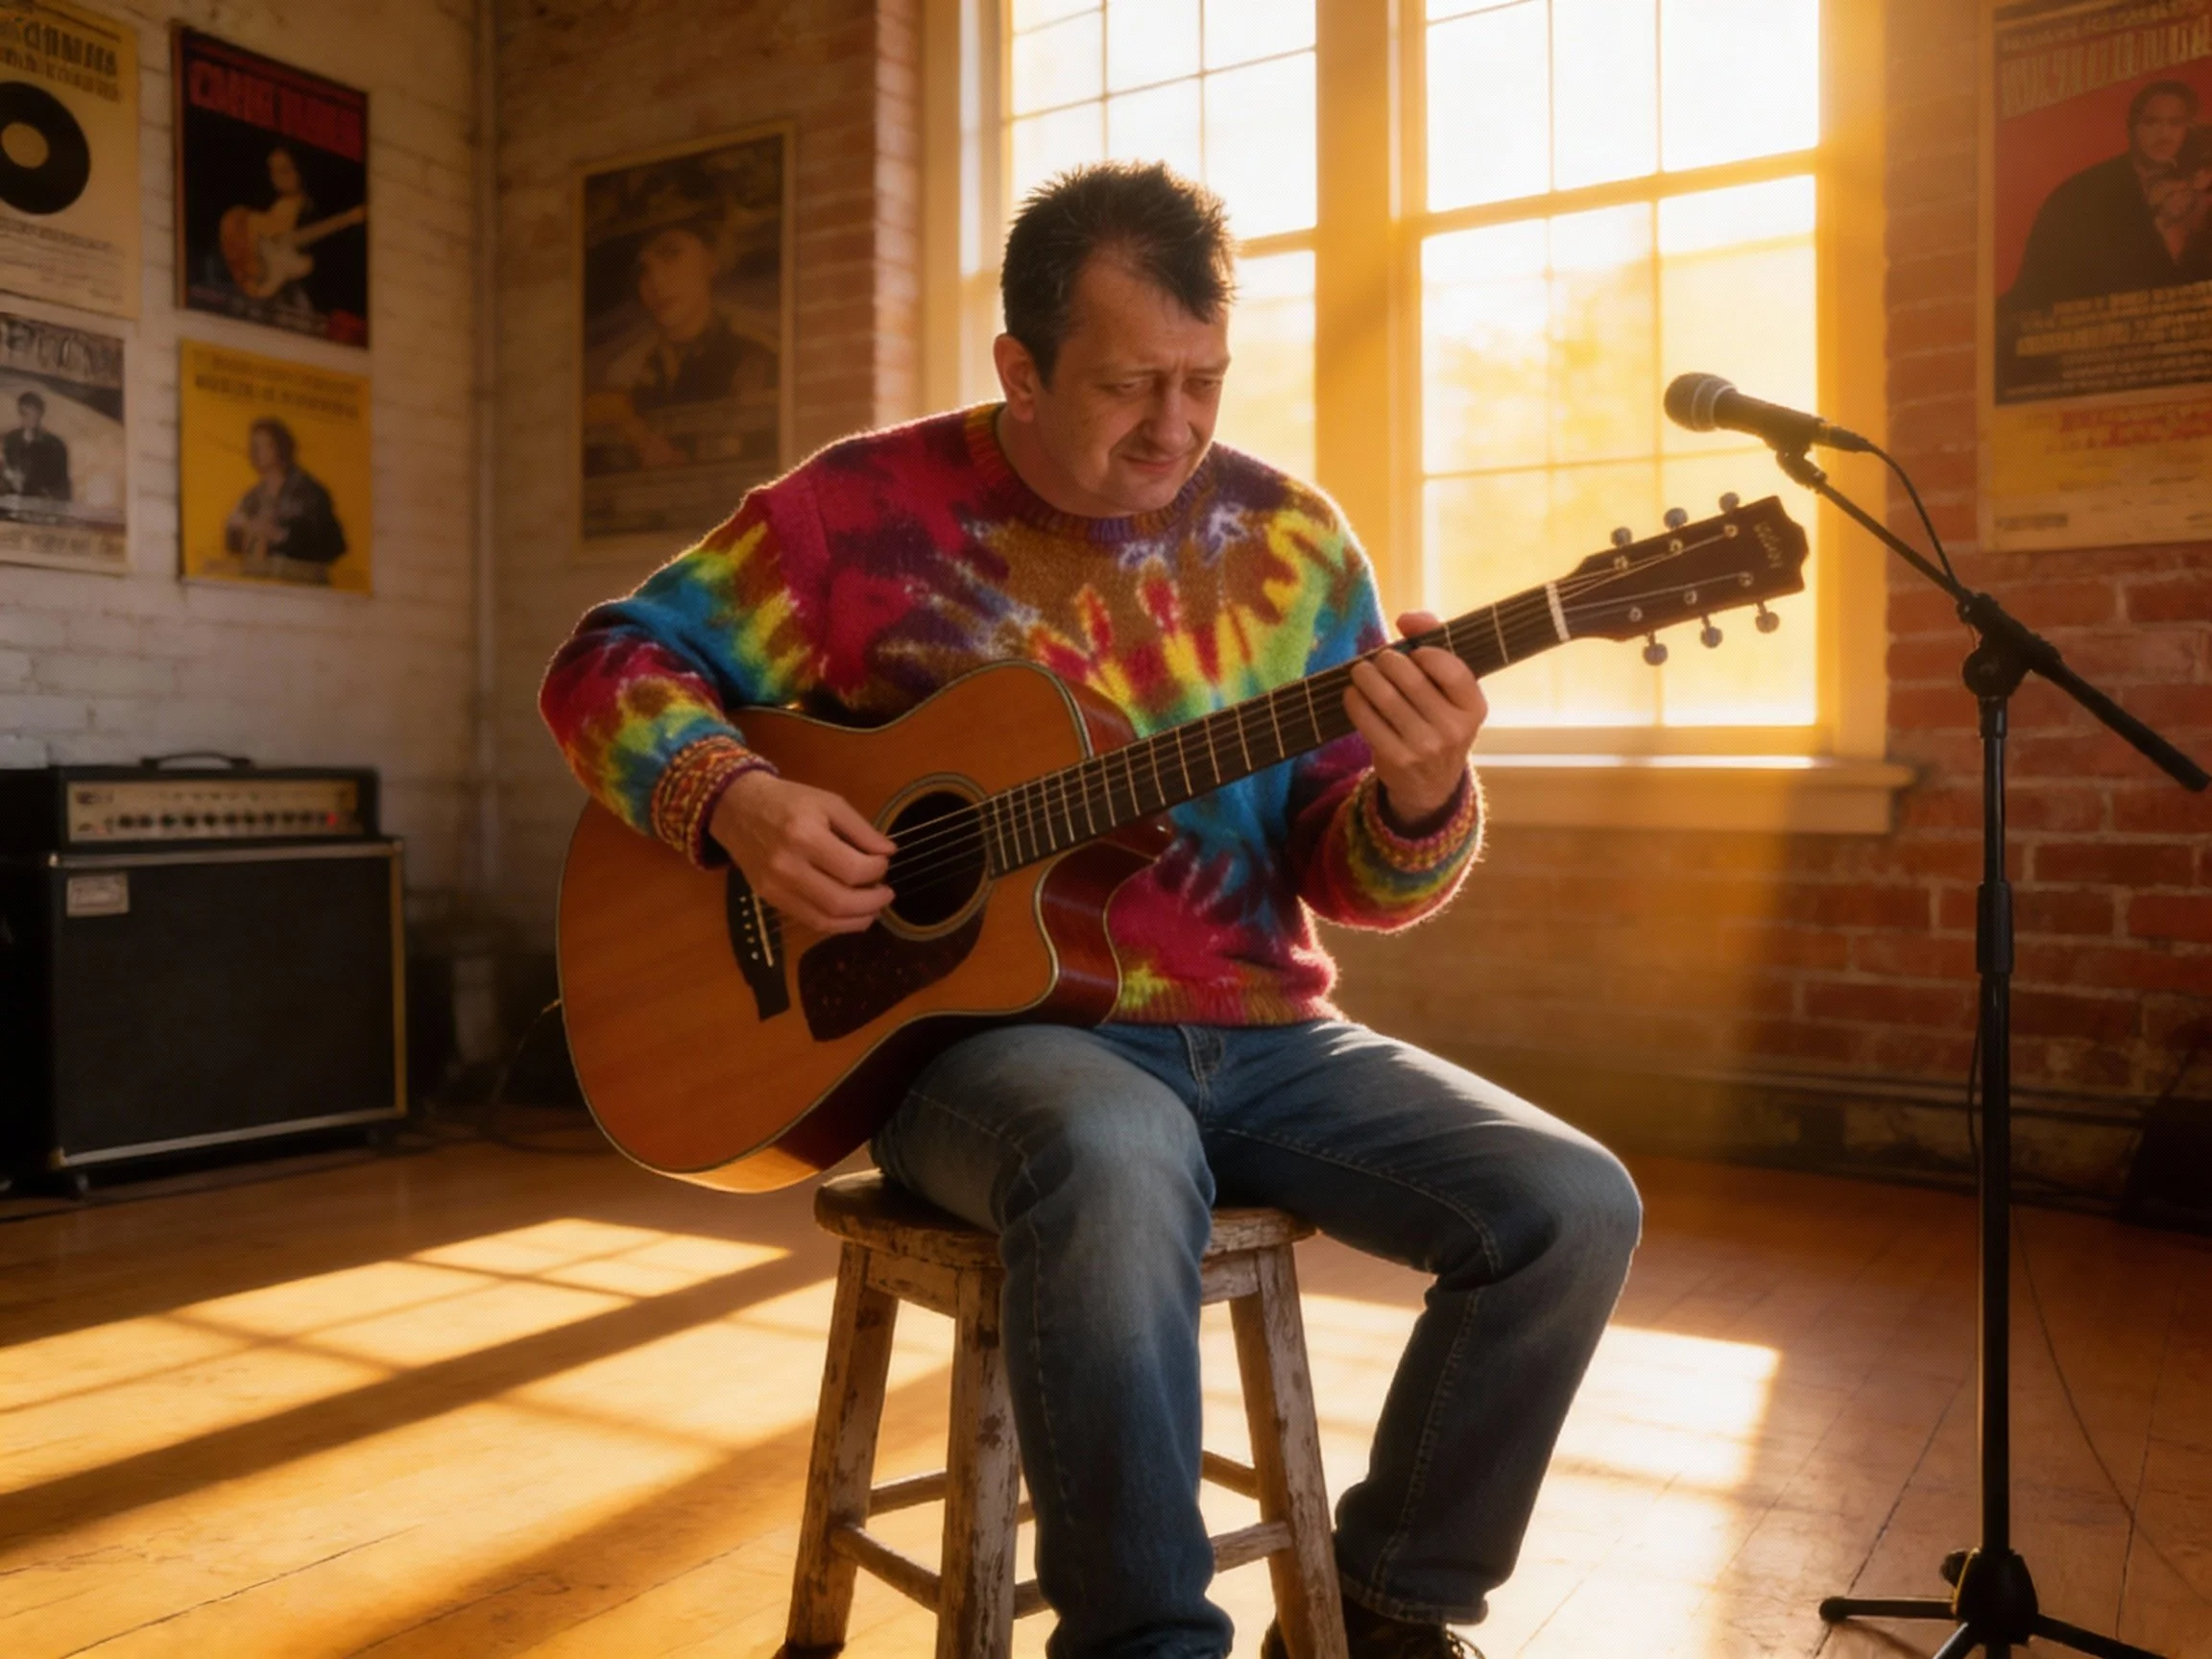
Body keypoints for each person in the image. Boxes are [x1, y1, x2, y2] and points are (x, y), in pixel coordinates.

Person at [541, 162, 1641, 1659]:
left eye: (1205, 381)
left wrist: (1420, 792)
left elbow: (1355, 880)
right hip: (970, 1052)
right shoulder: (856, 513)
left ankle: (1397, 1608)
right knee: (1120, 1157)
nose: (1177, 426)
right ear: (1021, 366)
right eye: (1131, 384)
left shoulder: (1297, 545)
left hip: (1259, 1034)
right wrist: (733, 797)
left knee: (1572, 1204)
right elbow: (606, 663)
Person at [2004, 79, 2212, 312]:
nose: (2163, 133)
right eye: (2151, 122)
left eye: (2175, 123)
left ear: (2189, 128)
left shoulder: (2201, 186)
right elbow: (2043, 288)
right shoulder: (2081, 193)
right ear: (2131, 128)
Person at [224, 417, 347, 576]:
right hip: (260, 587)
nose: (254, 452)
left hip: (302, 589)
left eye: (263, 445)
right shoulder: (251, 498)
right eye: (253, 445)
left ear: (280, 447)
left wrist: (279, 535)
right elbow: (233, 547)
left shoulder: (310, 493)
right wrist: (236, 530)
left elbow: (334, 546)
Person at [2, 391, 69, 500]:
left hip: (41, 502)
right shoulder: (11, 439)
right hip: (11, 500)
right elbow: (5, 465)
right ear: (20, 413)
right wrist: (9, 476)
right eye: (25, 413)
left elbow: (62, 484)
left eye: (35, 412)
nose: (30, 418)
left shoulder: (55, 445)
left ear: (41, 413)